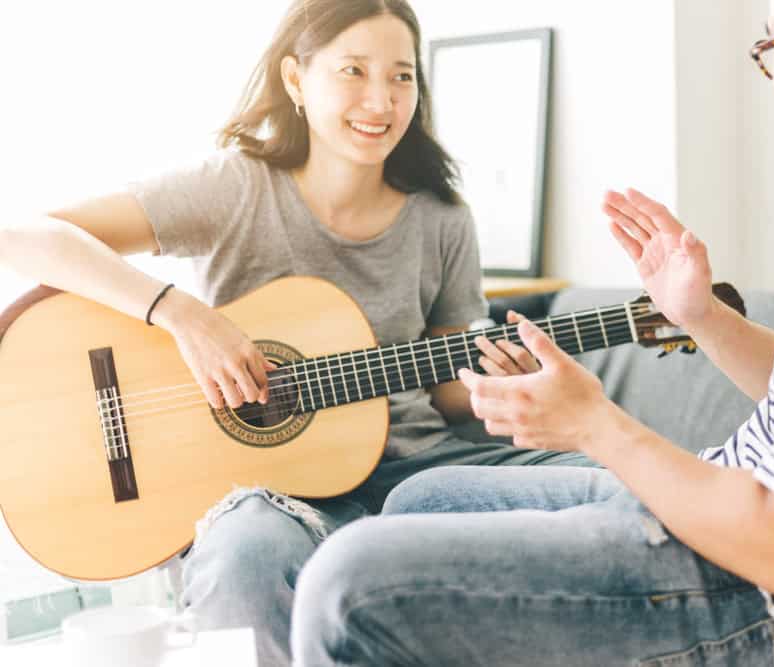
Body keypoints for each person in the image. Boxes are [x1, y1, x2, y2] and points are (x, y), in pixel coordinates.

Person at [288, 1, 774, 665]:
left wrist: (593, 423)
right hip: (743, 523)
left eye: (773, 45)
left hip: (766, 604)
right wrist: (703, 318)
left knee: (344, 591)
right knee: (424, 499)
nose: (773, 71)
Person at [0, 1, 595, 666]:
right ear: (295, 80)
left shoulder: (442, 217)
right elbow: (23, 236)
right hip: (266, 489)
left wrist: (494, 383)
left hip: (425, 473)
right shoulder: (236, 188)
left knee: (620, 486)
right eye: (353, 71)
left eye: (402, 76)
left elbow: (444, 382)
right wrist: (179, 312)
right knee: (247, 556)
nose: (381, 99)